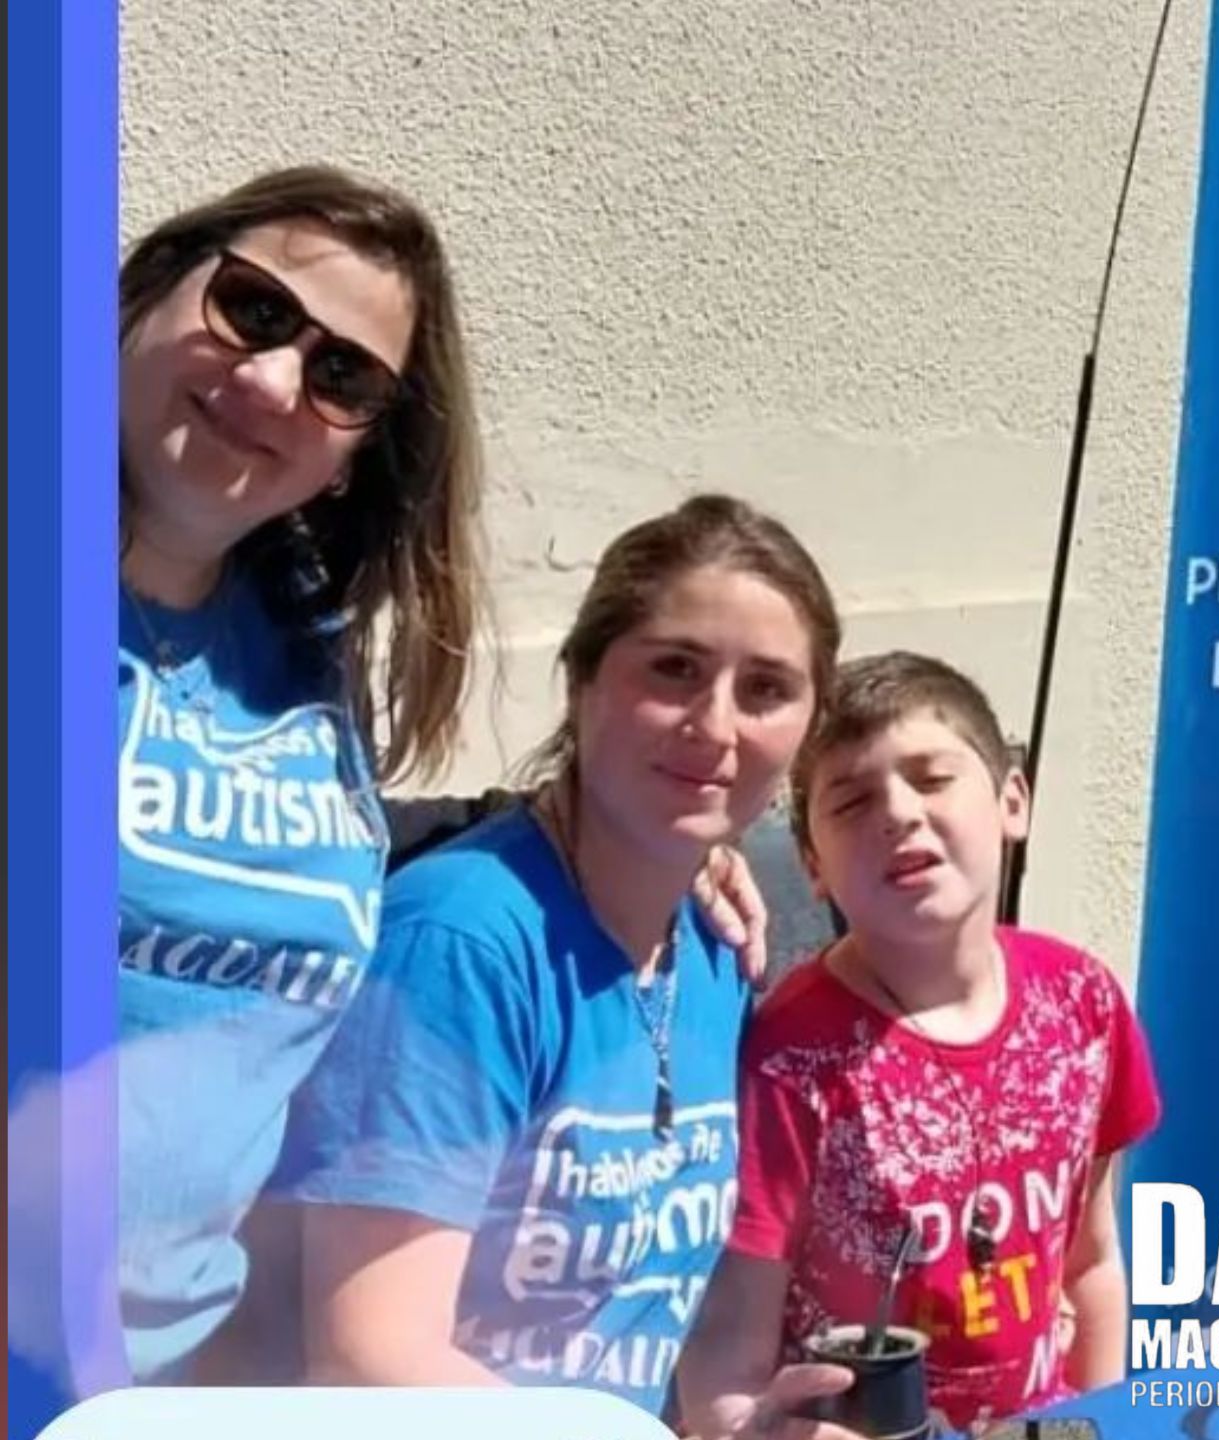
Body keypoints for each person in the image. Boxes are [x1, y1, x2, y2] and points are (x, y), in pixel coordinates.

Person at [106, 166, 775, 1391]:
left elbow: (341, 855)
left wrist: (647, 830)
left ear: (357, 453)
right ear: (150, 289)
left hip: (177, 1377)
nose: (273, 381)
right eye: (252, 308)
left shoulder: (292, 638)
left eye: (343, 374)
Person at [274, 495, 848, 1426]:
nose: (716, 725)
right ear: (582, 680)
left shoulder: (713, 941)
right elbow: (370, 1356)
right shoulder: (461, 945)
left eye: (766, 689)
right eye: (674, 668)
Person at [680, 652, 1163, 1436]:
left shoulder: (1084, 1003)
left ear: (1013, 801)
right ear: (812, 865)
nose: (898, 813)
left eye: (932, 778)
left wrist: (1110, 1421)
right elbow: (729, 1347)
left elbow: (1092, 1264)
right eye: (852, 800)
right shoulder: (788, 1058)